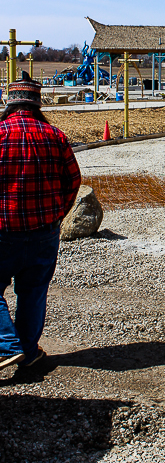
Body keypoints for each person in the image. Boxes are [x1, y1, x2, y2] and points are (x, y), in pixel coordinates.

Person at [0, 73, 81, 370]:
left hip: (2, 228)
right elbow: (73, 179)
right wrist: (59, 213)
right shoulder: (55, 135)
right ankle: (28, 352)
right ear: (37, 103)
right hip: (44, 230)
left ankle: (8, 346)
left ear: (10, 102)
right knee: (33, 293)